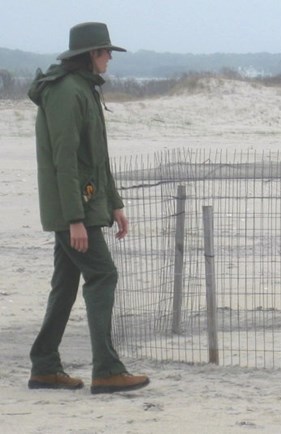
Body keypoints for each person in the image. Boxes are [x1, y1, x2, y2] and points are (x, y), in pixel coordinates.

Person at [27, 22, 150, 393]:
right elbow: (64, 160)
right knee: (103, 275)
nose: (109, 57)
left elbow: (96, 157)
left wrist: (114, 205)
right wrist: (75, 219)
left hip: (83, 205)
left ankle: (45, 367)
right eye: (105, 51)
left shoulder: (84, 89)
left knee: (65, 284)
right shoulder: (67, 92)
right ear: (89, 55)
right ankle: (107, 370)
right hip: (73, 210)